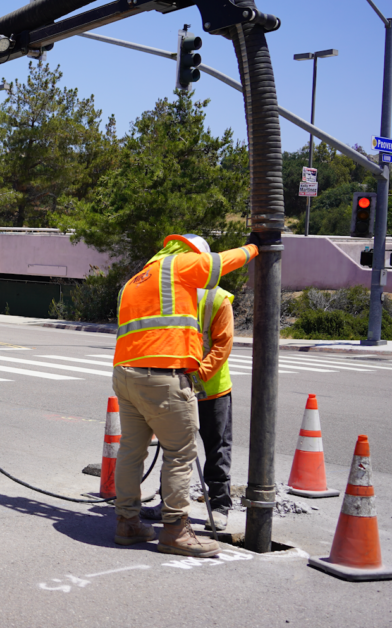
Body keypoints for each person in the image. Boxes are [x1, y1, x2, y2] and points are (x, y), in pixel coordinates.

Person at [111, 233, 258, 557]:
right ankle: (176, 531)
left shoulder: (137, 280)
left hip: (126, 375)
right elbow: (220, 263)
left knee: (131, 452)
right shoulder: (177, 265)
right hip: (161, 378)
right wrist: (254, 247)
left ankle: (127, 522)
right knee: (180, 453)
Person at [140, 286, 236, 530]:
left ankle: (219, 507)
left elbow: (223, 345)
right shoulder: (169, 295)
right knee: (174, 450)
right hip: (177, 387)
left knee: (217, 449)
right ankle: (168, 504)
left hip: (212, 390)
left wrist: (197, 376)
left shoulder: (217, 299)